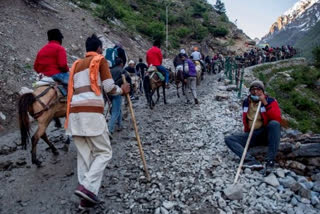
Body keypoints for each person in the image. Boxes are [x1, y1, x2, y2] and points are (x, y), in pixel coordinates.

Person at [65, 34, 130, 210]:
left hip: (74, 115)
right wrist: (122, 90)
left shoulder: (76, 65)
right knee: (104, 152)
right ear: (100, 49)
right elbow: (109, 88)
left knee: (84, 156)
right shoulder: (100, 61)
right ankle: (86, 187)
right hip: (91, 114)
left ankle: (84, 201)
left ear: (87, 49)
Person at [224, 80, 281, 175]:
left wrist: (265, 103)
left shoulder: (270, 101)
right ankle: (250, 161)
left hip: (265, 133)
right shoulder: (247, 102)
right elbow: (246, 119)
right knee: (229, 139)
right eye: (253, 90)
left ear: (262, 91)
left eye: (258, 90)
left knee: (274, 124)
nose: (255, 92)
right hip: (252, 134)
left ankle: (270, 161)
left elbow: (276, 118)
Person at [108, 58, 125, 135]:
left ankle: (120, 124)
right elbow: (127, 78)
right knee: (116, 111)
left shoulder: (110, 70)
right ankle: (110, 129)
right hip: (117, 91)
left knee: (118, 109)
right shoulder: (121, 70)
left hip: (109, 91)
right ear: (121, 63)